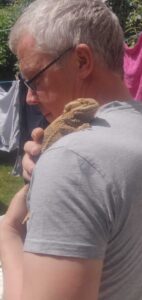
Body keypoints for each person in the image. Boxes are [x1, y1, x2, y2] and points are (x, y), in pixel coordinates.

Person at [1, 0, 142, 299]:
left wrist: (9, 233)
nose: (29, 98)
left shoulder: (74, 161)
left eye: (35, 79)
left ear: (81, 61)